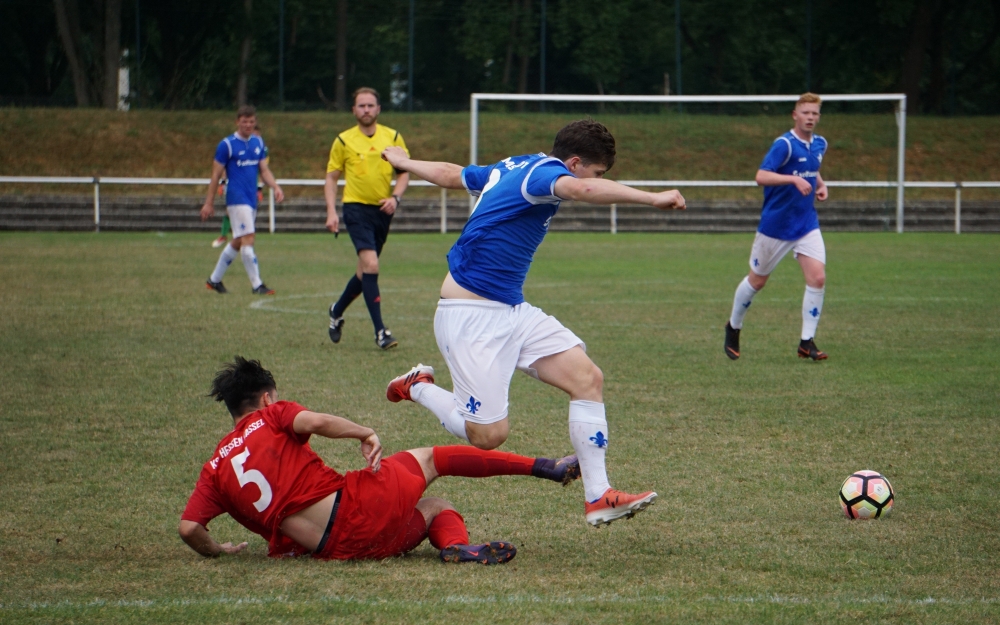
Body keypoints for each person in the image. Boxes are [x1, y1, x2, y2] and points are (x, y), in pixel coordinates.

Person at [380, 119, 686, 527]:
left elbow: (453, 174)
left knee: (586, 378)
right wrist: (654, 198)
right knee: (488, 437)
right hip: (469, 318)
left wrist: (406, 161)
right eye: (595, 170)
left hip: (511, 311)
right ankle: (418, 386)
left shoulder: (514, 166)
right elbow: (583, 189)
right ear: (574, 163)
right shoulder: (545, 174)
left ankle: (598, 495)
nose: (591, 179)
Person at [179, 357, 581, 564]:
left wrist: (217, 550)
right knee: (431, 458)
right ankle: (545, 466)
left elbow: (189, 528)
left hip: (340, 550)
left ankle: (455, 547)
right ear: (267, 399)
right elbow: (315, 421)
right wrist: (364, 432)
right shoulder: (272, 414)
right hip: (357, 508)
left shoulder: (214, 468)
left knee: (437, 509)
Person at [724, 92, 830, 361]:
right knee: (757, 281)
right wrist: (793, 181)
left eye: (815, 113)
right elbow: (761, 176)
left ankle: (807, 341)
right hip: (776, 226)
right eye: (805, 113)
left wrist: (820, 184)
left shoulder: (820, 143)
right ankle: (733, 327)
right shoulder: (784, 144)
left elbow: (812, 166)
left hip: (806, 224)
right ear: (795, 115)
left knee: (817, 278)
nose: (810, 118)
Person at [324, 87, 410, 350]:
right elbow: (331, 177)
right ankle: (381, 332)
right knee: (371, 265)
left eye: (370, 105)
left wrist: (395, 197)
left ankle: (336, 311)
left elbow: (404, 171)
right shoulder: (343, 140)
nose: (366, 110)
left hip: (382, 211)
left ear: (378, 108)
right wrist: (331, 211)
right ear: (353, 110)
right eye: (361, 106)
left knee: (364, 272)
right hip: (355, 209)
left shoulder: (393, 137)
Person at [201, 106, 284, 295]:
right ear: (237, 122)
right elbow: (215, 176)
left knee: (239, 240)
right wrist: (209, 202)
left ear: (255, 122)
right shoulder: (227, 145)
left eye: (251, 121)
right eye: (244, 121)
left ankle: (214, 280)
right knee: (249, 239)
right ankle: (257, 285)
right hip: (237, 199)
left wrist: (275, 186)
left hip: (251, 198)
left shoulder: (257, 142)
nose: (248, 125)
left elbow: (264, 170)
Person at [211, 125, 270, 248]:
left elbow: (263, 170)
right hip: (236, 188)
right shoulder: (234, 144)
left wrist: (259, 188)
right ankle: (224, 235)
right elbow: (226, 168)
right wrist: (223, 182)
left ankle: (238, 237)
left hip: (251, 189)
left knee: (245, 225)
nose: (255, 137)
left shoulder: (262, 148)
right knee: (229, 213)